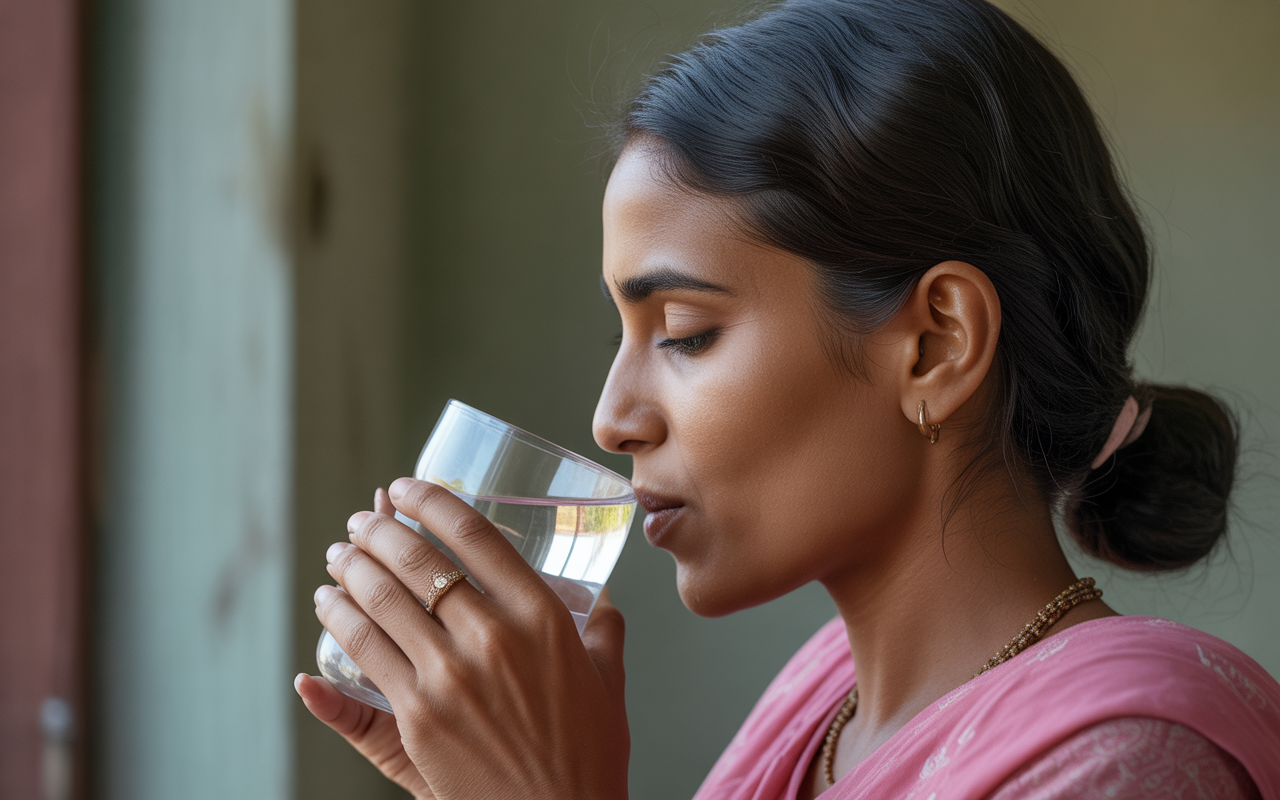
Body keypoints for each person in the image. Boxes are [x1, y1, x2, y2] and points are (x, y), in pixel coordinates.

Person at [293, 0, 1280, 797]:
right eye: (619, 337)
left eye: (682, 332)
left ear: (935, 343)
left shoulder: (1129, 759)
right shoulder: (823, 702)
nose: (610, 417)